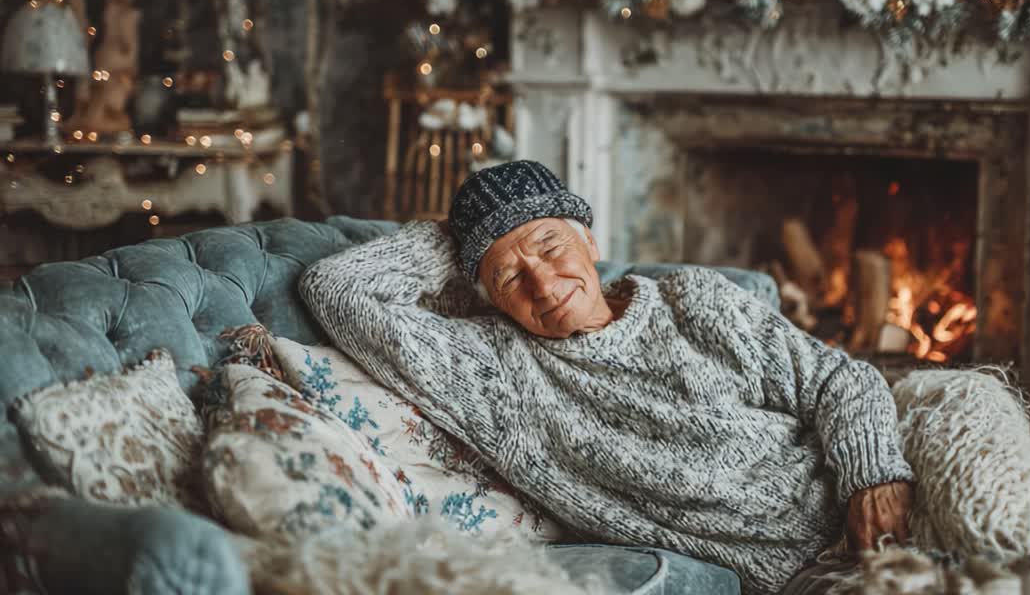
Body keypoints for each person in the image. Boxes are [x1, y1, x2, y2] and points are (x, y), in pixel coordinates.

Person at [300, 160, 914, 595]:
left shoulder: (694, 299)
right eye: (510, 277)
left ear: (589, 240)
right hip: (809, 575)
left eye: (550, 246)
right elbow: (335, 289)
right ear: (490, 297)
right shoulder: (493, 371)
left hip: (875, 486)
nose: (543, 284)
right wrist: (457, 236)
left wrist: (873, 476)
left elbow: (837, 380)